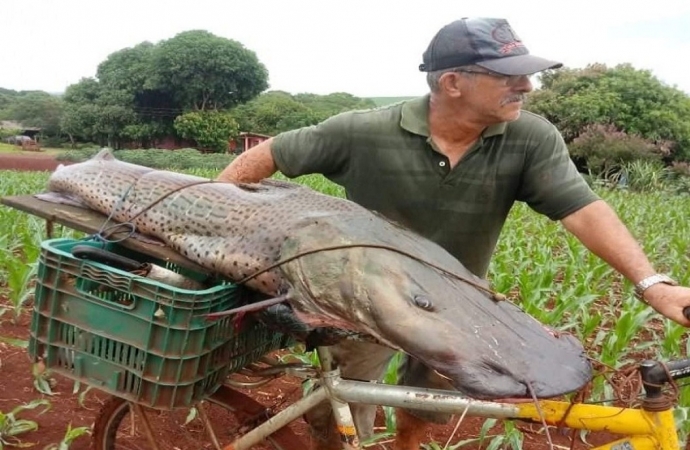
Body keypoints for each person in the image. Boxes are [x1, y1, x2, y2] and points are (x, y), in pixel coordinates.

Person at [217, 17, 690, 450]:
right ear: (453, 82)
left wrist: (653, 285)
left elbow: (582, 209)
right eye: (508, 76)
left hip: (458, 307)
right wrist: (220, 210)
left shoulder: (530, 138)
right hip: (364, 300)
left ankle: (406, 445)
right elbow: (270, 154)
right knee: (338, 404)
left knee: (430, 401)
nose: (526, 85)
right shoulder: (365, 131)